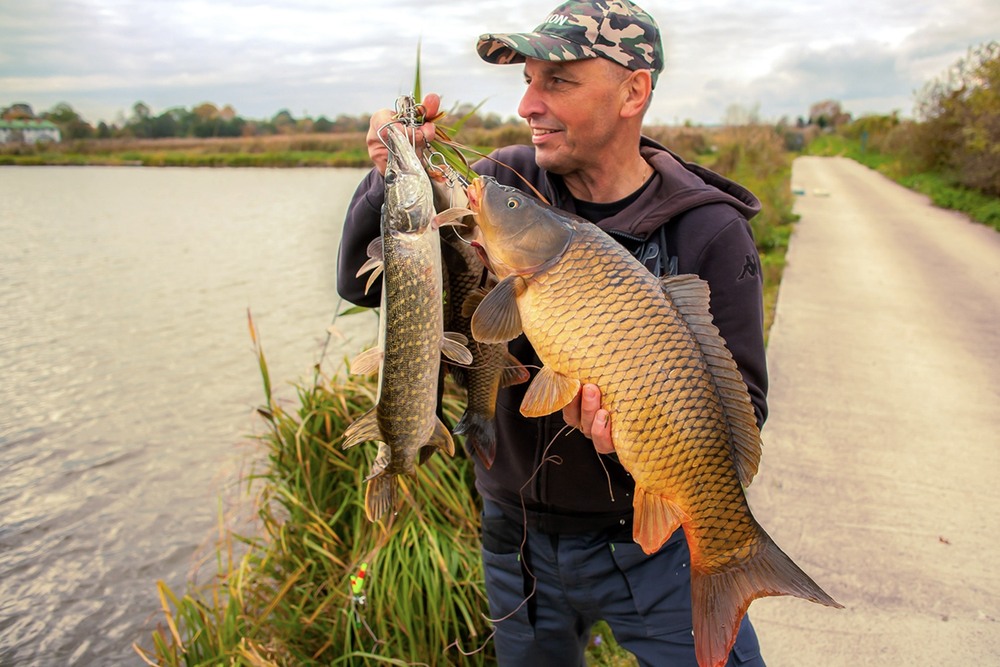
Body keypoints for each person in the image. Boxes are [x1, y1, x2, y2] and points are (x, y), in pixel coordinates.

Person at [337, 1, 768, 665]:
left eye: (557, 82)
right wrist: (386, 173)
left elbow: (747, 405)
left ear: (634, 90)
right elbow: (358, 279)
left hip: (655, 549)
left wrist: (644, 425)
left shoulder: (708, 229)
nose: (528, 106)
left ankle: (736, 565)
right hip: (517, 540)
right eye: (527, 81)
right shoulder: (503, 184)